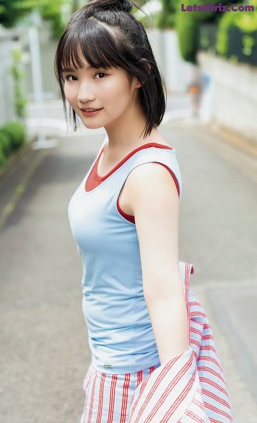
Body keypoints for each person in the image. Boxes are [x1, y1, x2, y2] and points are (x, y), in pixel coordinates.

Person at [55, 1, 233, 422]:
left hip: (135, 375)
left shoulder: (147, 172)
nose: (83, 93)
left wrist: (176, 395)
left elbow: (164, 290)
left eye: (100, 74)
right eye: (71, 76)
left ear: (140, 74)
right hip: (111, 363)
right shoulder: (113, 146)